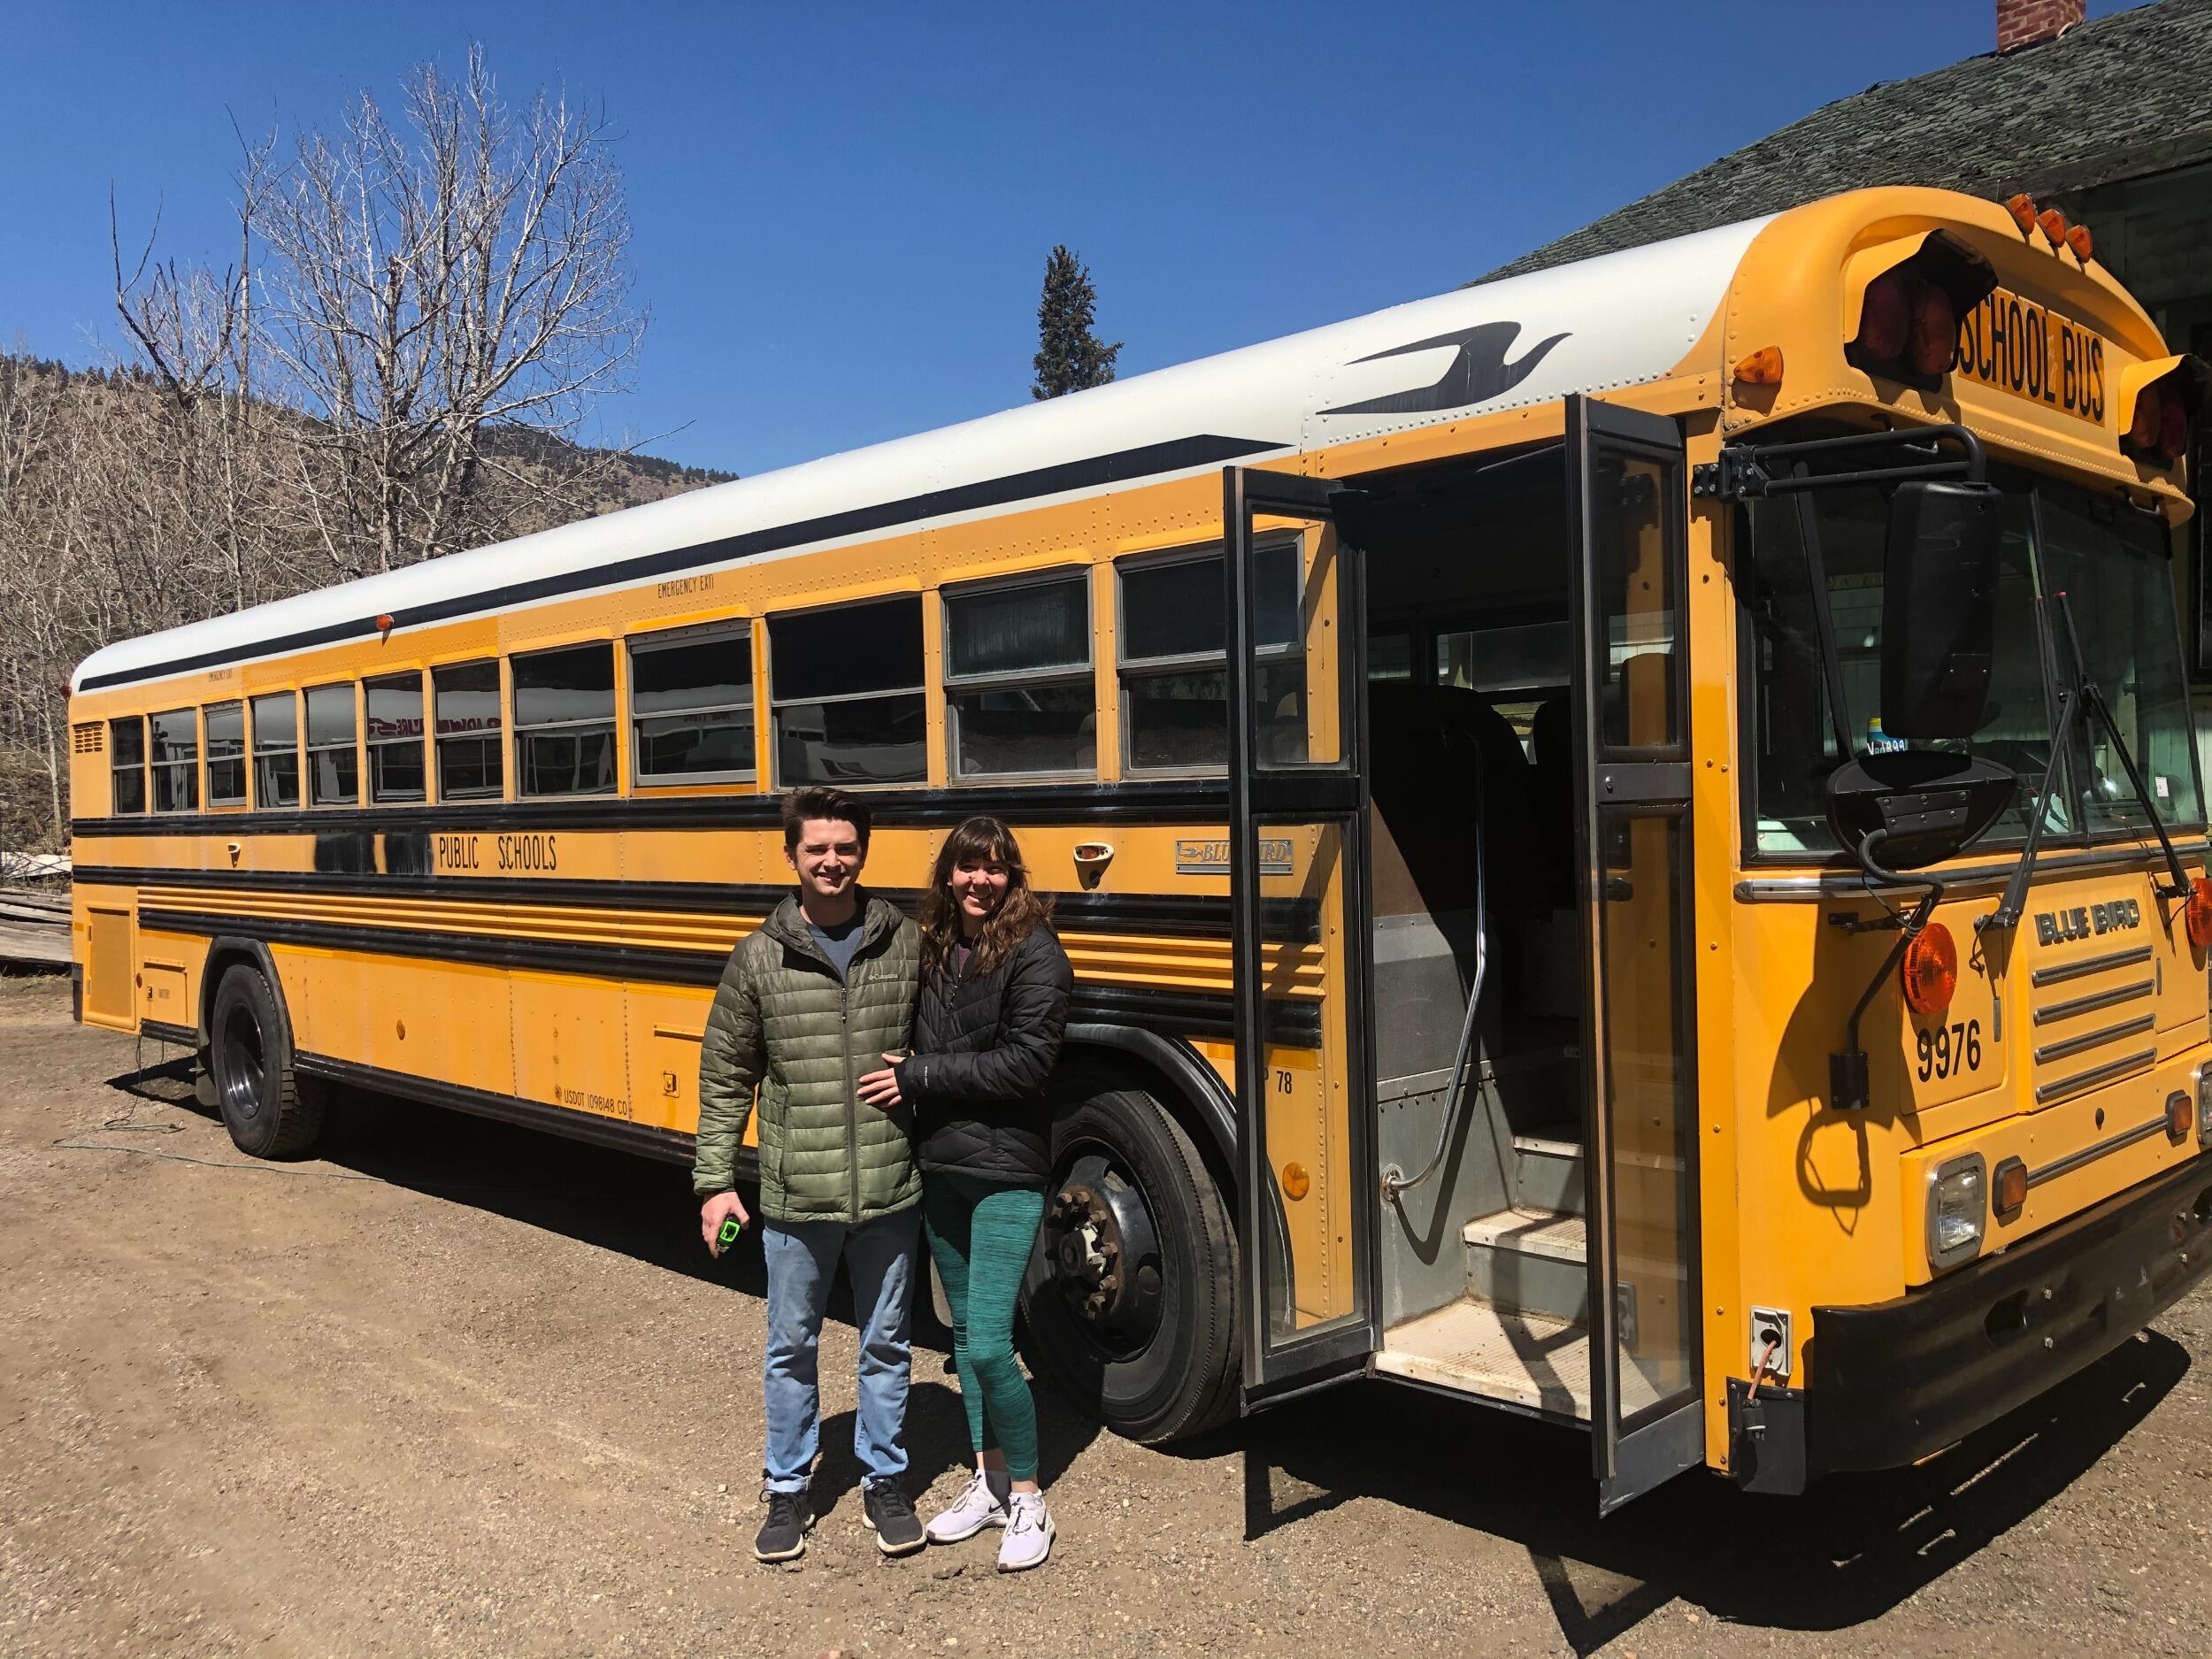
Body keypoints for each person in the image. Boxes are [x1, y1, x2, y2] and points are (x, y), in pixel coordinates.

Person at [695, 786, 927, 1563]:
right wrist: (715, 1183)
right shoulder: (759, 958)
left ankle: (884, 1477)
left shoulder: (905, 943)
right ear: (792, 855)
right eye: (817, 848)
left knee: (887, 1343)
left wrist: (922, 1073)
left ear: (864, 851)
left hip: (890, 1186)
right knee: (791, 1345)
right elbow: (726, 1076)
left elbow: (945, 1038)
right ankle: (789, 1486)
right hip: (798, 1195)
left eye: (845, 847)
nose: (833, 860)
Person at [857, 816, 1072, 1572]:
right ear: (947, 874)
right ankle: (989, 1480)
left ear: (1013, 877)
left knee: (987, 1343)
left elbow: (1026, 1065)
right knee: (961, 1338)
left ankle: (1031, 1499)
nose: (981, 879)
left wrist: (918, 1073)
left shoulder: (1037, 953)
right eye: (968, 866)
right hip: (943, 1165)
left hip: (1006, 1170)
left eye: (995, 867)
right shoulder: (934, 947)